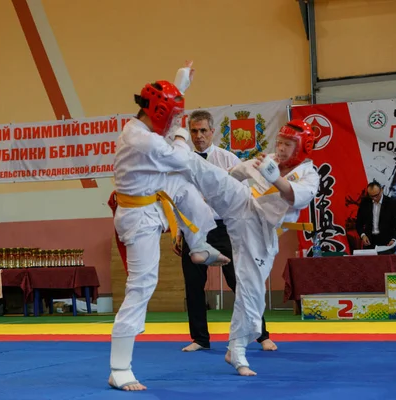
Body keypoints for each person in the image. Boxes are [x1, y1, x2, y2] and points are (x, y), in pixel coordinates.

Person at [108, 62, 230, 391]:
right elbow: (179, 155)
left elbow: (178, 164)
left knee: (185, 186)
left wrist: (180, 86)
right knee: (141, 286)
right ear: (161, 113)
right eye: (174, 116)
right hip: (138, 218)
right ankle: (119, 368)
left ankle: (200, 245)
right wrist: (180, 129)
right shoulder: (141, 138)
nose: (178, 122)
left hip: (154, 197)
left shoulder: (144, 128)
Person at [180, 119, 319, 376]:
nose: (281, 148)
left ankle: (236, 350)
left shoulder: (309, 174)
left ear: (302, 147)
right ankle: (174, 144)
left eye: (288, 144)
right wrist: (232, 177)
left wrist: (274, 177)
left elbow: (292, 196)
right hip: (242, 205)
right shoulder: (268, 161)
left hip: (261, 232)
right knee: (201, 171)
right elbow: (234, 175)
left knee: (250, 293)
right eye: (279, 142)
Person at [174, 110, 277, 352]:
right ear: (189, 133)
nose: (198, 136)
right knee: (193, 284)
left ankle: (261, 334)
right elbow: (177, 198)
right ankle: (200, 338)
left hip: (225, 227)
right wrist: (180, 230)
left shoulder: (228, 159)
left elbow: (241, 196)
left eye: (203, 131)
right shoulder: (183, 161)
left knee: (240, 279)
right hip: (194, 228)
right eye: (194, 131)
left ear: (212, 132)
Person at [355, 181, 396, 254]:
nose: (374, 198)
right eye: (371, 196)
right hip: (369, 243)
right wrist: (363, 235)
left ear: (381, 190)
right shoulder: (365, 203)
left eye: (376, 195)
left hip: (387, 243)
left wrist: (394, 239)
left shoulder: (392, 203)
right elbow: (358, 223)